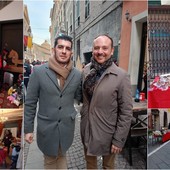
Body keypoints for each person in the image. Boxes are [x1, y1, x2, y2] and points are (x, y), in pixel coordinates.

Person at [24, 34, 82, 169]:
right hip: (47, 128)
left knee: (62, 156)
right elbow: (31, 103)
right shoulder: (39, 72)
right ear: (53, 50)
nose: (63, 51)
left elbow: (80, 96)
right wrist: (28, 129)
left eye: (67, 48)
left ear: (71, 52)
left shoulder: (77, 74)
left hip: (67, 127)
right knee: (50, 160)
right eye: (60, 47)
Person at [80, 34, 133, 169]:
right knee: (90, 165)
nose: (100, 52)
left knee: (108, 167)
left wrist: (119, 140)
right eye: (97, 48)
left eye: (105, 48)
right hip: (88, 129)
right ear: (93, 50)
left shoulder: (121, 76)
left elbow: (126, 112)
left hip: (108, 133)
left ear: (111, 50)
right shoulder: (86, 70)